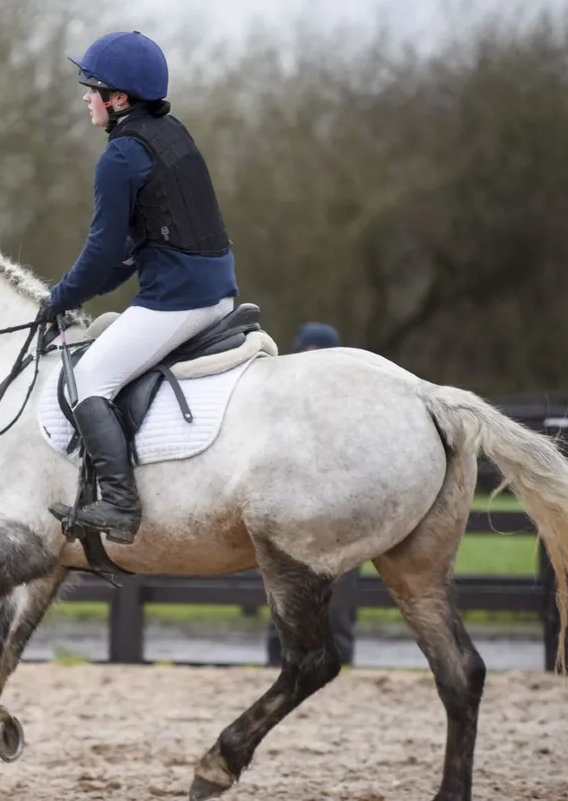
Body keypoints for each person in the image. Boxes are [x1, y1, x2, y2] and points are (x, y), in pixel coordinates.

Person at [36, 31, 238, 545]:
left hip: (178, 299)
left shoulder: (122, 157)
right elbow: (130, 252)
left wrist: (57, 299)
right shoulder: (172, 133)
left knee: (86, 381)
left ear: (119, 99)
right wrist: (77, 293)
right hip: (214, 288)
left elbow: (103, 251)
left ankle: (120, 505)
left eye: (92, 88)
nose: (86, 97)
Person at [265, 321, 360, 666]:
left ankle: (341, 655)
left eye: (318, 354)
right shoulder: (282, 402)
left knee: (339, 589)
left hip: (340, 511)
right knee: (285, 584)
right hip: (294, 510)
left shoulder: (353, 404)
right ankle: (278, 657)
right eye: (307, 353)